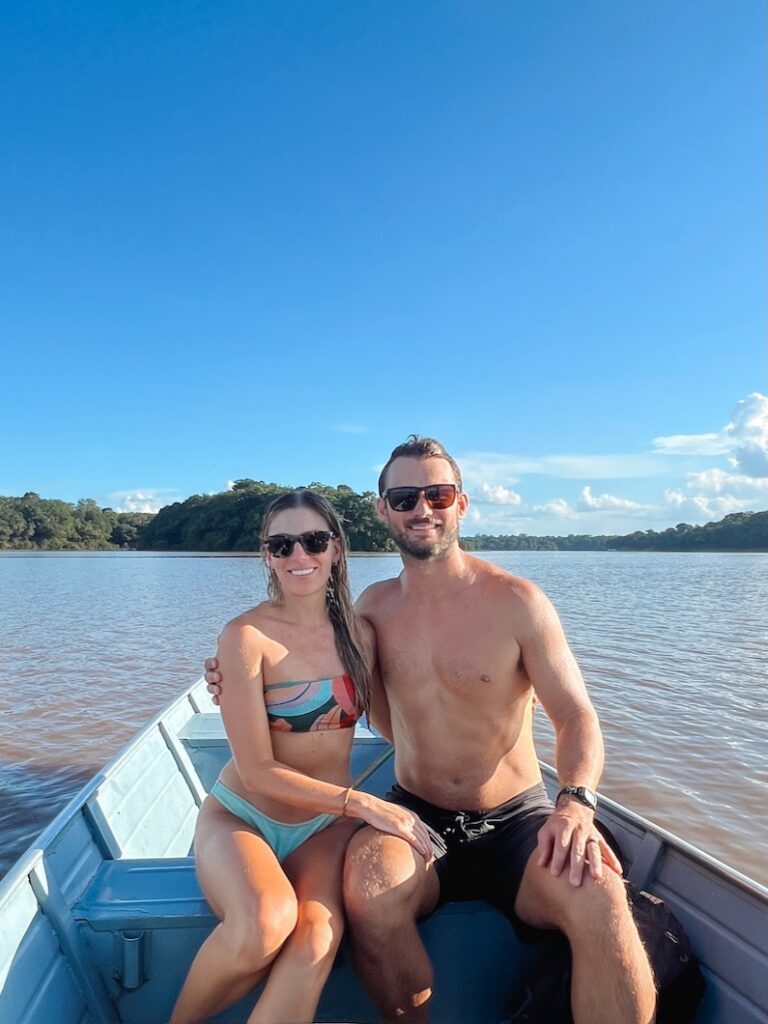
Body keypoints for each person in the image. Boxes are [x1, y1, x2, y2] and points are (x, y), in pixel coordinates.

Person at [206, 439, 657, 1024]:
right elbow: (302, 651)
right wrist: (227, 673)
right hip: (417, 812)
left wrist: (575, 804)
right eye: (404, 496)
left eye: (437, 494)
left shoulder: (518, 601)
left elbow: (577, 717)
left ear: (461, 503)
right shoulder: (372, 610)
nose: (423, 508)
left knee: (600, 896)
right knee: (369, 894)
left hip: (517, 817)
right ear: (383, 511)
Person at [173, 489, 432, 1024]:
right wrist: (364, 804)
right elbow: (257, 771)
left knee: (315, 940)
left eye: (313, 541)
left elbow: (390, 718)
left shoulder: (361, 634)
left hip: (322, 827)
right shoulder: (245, 636)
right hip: (244, 814)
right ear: (266, 555)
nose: (299, 556)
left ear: (336, 549)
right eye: (282, 545)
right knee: (265, 923)